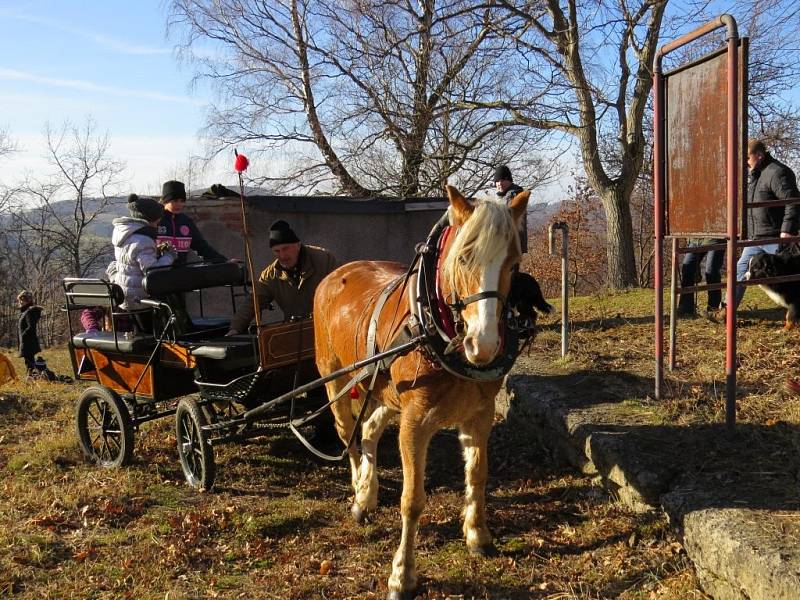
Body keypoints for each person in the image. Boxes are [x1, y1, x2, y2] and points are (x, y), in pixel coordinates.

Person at [227, 220, 337, 334]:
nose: (282, 256)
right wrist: (235, 328)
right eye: (277, 251)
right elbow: (253, 302)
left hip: (328, 328)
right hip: (295, 334)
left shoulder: (324, 260)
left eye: (286, 249)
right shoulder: (271, 274)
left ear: (298, 245)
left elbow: (342, 290)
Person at [735, 139, 800, 308]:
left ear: (759, 155)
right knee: (741, 269)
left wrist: (787, 230)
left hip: (775, 236)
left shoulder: (777, 173)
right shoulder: (756, 176)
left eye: (747, 157)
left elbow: (793, 201)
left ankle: (793, 310)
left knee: (789, 278)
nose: (745, 162)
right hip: (757, 237)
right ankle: (728, 310)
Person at [108, 194, 178, 315]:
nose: (157, 226)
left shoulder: (125, 235)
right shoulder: (143, 240)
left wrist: (155, 252)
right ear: (149, 220)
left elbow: (132, 263)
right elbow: (153, 272)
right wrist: (169, 256)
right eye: (157, 222)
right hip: (141, 299)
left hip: (125, 297)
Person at [157, 180, 228, 265]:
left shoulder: (186, 222)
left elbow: (202, 247)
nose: (179, 204)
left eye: (182, 201)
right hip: (158, 274)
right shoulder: (155, 220)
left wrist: (225, 262)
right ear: (165, 201)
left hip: (181, 273)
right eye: (175, 201)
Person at [677, 238, 725, 319]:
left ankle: (713, 309)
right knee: (687, 267)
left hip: (716, 238)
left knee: (711, 271)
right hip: (695, 239)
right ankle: (686, 307)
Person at [493, 165, 527, 252]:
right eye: (497, 181)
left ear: (509, 180)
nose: (499, 183)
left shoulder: (514, 195)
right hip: (505, 245)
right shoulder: (502, 197)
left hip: (512, 245)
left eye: (503, 180)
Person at [17, 290, 42, 375]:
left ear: (28, 301)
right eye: (20, 300)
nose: (20, 302)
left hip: (28, 342)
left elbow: (31, 326)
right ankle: (32, 377)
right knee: (29, 361)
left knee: (29, 362)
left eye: (23, 300)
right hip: (27, 341)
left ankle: (31, 378)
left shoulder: (29, 311)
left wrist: (24, 335)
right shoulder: (25, 311)